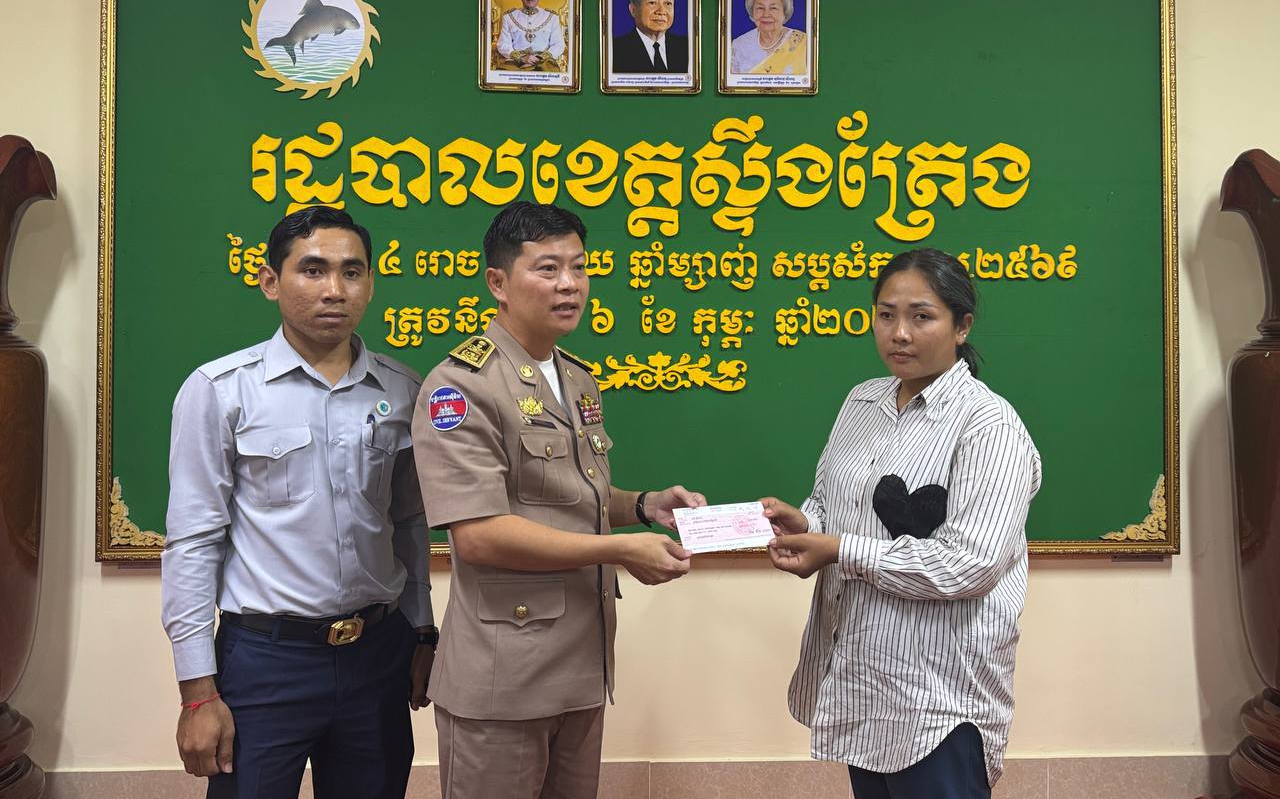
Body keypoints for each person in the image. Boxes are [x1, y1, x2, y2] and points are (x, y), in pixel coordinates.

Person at [413, 201, 704, 799]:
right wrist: (620, 549)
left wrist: (645, 506)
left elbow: (570, 497)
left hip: (581, 665)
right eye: (547, 269)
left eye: (579, 266)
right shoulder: (461, 386)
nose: (569, 284)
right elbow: (479, 534)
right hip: (505, 677)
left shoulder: (575, 378)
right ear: (498, 283)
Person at [161, 206, 436, 799]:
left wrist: (422, 630)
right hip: (265, 660)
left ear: (370, 283)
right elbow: (193, 542)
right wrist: (197, 691)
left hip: (378, 655)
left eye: (352, 272)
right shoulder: (221, 391)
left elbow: (409, 523)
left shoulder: (404, 391)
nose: (335, 289)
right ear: (270, 281)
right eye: (312, 270)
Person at [762, 248, 1041, 799]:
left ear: (962, 326)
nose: (900, 333)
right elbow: (832, 503)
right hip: (863, 682)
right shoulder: (861, 402)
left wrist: (839, 550)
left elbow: (971, 564)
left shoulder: (989, 425)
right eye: (886, 315)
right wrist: (805, 521)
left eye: (922, 316)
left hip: (940, 699)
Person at [728, 0, 808, 75]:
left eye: (773, 8)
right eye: (760, 8)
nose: (766, 14)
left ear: (785, 12)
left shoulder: (804, 44)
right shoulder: (739, 45)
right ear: (752, 12)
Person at [611, 0, 689, 73]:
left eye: (668, 3)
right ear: (633, 10)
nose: (661, 11)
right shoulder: (614, 50)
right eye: (652, 2)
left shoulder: (687, 47)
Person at [495, 0, 567, 70]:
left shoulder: (552, 17)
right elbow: (503, 44)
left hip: (544, 63)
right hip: (515, 63)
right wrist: (521, 58)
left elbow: (558, 44)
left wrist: (539, 59)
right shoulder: (509, 17)